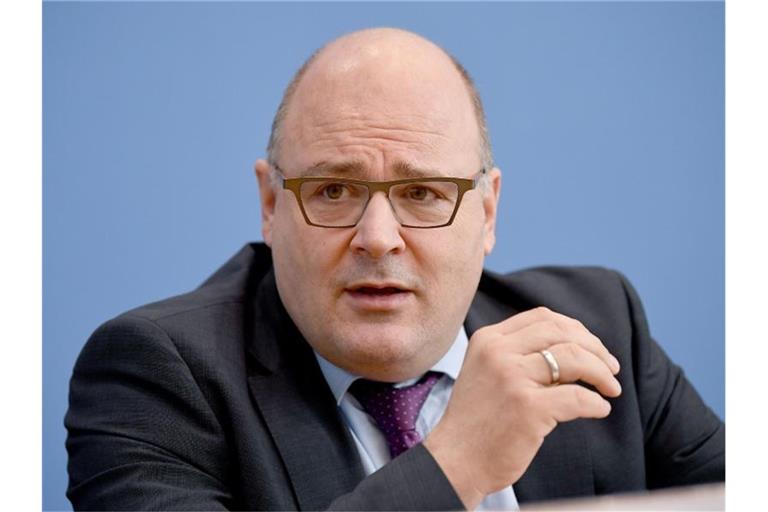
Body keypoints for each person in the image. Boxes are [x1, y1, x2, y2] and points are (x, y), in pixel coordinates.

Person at [65, 28, 724, 510]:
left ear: (487, 211)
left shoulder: (599, 328)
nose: (378, 240)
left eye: (422, 193)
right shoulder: (154, 377)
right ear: (270, 205)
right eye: (332, 191)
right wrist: (455, 462)